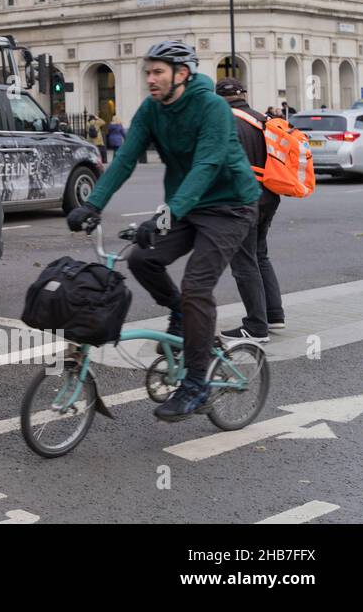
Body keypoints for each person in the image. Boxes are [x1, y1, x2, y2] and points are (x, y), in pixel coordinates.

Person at [66, 41, 260, 422]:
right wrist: (92, 204)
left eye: (158, 72)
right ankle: (179, 315)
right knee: (143, 259)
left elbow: (206, 165)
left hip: (229, 206)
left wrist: (165, 216)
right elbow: (123, 160)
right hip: (187, 205)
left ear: (182, 74)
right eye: (148, 72)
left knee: (196, 287)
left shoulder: (213, 108)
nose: (150, 79)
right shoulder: (152, 110)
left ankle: (196, 383)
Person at [216, 79, 285, 342]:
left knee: (244, 261)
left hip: (243, 201)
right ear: (243, 95)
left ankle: (256, 326)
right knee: (260, 255)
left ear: (219, 98)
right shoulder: (262, 119)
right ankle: (274, 315)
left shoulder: (227, 123)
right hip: (269, 196)